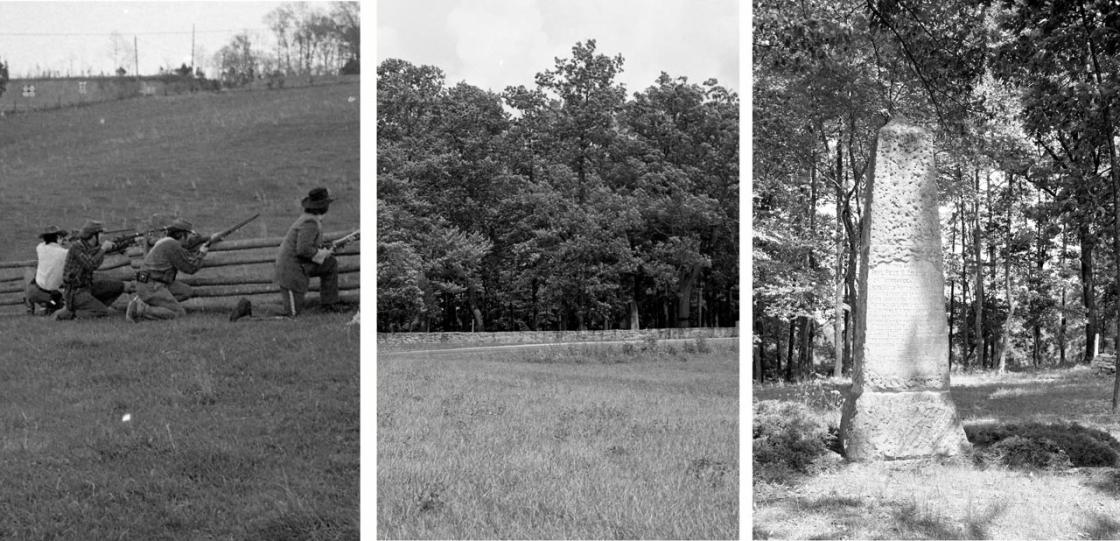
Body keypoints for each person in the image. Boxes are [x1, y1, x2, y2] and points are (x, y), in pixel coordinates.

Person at [272, 187, 344, 317]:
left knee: (330, 264)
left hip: (299, 267)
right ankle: (250, 312)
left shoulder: (310, 219)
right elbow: (303, 250)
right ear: (323, 206)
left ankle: (329, 304)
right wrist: (323, 253)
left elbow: (308, 245)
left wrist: (324, 249)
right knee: (291, 315)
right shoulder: (310, 222)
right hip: (292, 271)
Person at [126, 218, 209, 322]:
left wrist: (210, 239)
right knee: (179, 314)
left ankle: (150, 303)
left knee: (185, 292)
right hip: (151, 286)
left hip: (153, 282)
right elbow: (190, 268)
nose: (190, 239)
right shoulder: (172, 245)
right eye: (189, 235)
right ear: (182, 235)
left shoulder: (166, 242)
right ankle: (141, 309)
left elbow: (189, 244)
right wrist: (201, 254)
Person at [54, 220, 125, 320]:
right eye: (100, 234)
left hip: (87, 288)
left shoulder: (90, 247)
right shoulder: (76, 247)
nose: (101, 237)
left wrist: (124, 244)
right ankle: (74, 314)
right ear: (93, 235)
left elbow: (98, 253)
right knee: (103, 312)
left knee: (118, 286)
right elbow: (90, 265)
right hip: (75, 293)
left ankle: (94, 307)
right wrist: (103, 249)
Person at [24, 225, 69, 315]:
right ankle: (49, 307)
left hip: (34, 292)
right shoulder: (64, 253)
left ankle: (30, 304)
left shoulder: (40, 248)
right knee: (57, 303)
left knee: (29, 272)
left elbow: (46, 245)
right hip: (52, 296)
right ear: (58, 237)